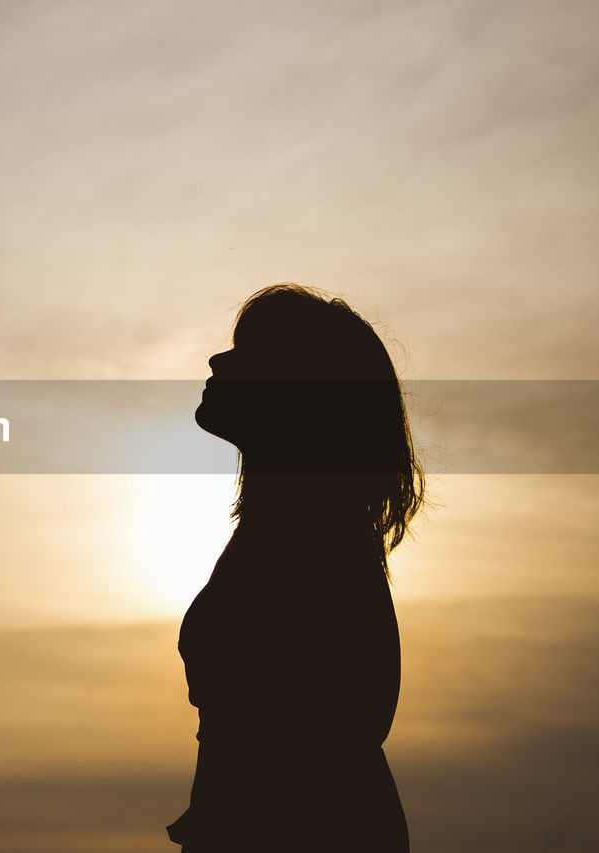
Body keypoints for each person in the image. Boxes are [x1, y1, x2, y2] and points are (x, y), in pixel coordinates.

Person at [167, 284, 424, 851]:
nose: (217, 360)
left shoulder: (308, 542)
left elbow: (312, 743)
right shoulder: (294, 530)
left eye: (247, 352)